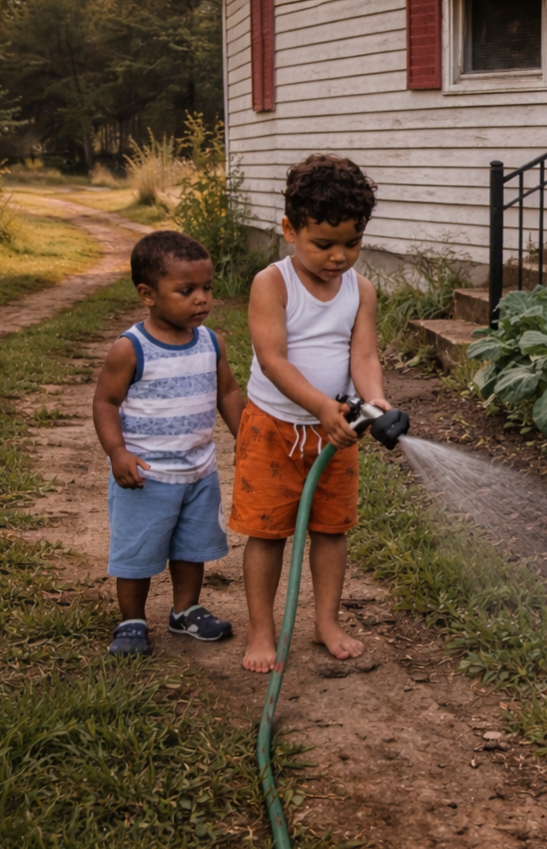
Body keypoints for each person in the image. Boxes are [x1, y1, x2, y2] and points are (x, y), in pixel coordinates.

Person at [232, 154, 387, 672]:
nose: (339, 257)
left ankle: (326, 621)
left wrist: (375, 400)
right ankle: (261, 630)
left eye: (353, 243)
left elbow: (362, 355)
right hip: (274, 429)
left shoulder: (360, 290)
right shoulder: (272, 284)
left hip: (333, 434)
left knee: (331, 529)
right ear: (289, 230)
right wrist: (321, 405)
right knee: (266, 531)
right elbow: (273, 360)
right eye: (324, 244)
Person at [92, 230, 245, 657]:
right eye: (187, 290)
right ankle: (132, 620)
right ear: (148, 294)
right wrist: (117, 452)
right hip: (146, 475)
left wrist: (248, 438)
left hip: (199, 471)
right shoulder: (132, 348)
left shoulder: (211, 343)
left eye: (207, 288)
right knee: (138, 551)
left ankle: (185, 610)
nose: (202, 299)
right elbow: (105, 401)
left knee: (191, 548)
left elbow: (228, 394)